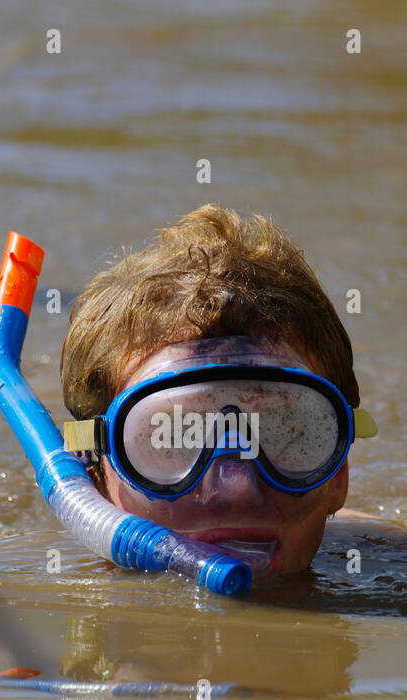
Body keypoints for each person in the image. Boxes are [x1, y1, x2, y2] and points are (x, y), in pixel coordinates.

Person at [59, 205, 376, 575]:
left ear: (339, 475)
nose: (235, 487)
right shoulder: (4, 578)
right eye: (172, 436)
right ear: (93, 479)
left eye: (281, 430)